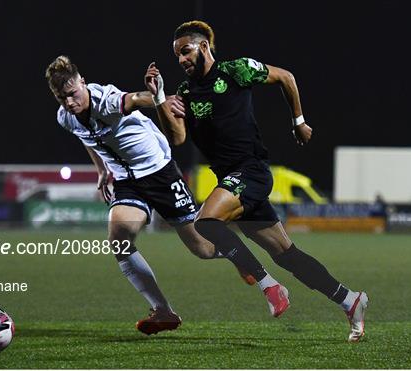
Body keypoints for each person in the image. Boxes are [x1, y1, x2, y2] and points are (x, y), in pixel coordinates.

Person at [145, 20, 368, 342]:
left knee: (206, 222)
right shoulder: (184, 92)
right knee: (287, 254)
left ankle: (269, 285)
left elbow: (285, 77)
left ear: (204, 46)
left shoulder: (237, 71)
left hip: (251, 171)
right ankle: (350, 300)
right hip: (233, 180)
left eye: (185, 51)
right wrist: (159, 101)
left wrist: (299, 121)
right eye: (176, 55)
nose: (180, 59)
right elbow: (177, 138)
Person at [45, 55, 289, 335]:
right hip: (128, 180)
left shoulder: (107, 100)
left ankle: (266, 280)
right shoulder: (66, 116)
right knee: (119, 237)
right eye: (61, 98)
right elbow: (86, 137)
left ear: (82, 83)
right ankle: (163, 311)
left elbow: (135, 99)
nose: (69, 102)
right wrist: (101, 170)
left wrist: (161, 98)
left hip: (160, 172)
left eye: (73, 94)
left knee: (204, 249)